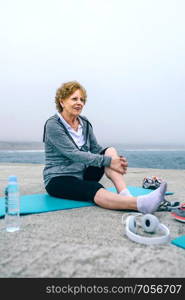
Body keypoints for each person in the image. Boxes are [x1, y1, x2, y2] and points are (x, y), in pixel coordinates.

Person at [43, 81, 167, 213]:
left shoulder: (84, 122)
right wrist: (109, 162)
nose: (79, 103)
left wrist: (114, 160)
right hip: (59, 179)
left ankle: (124, 194)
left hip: (82, 174)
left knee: (110, 150)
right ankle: (138, 204)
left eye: (82, 99)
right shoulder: (53, 125)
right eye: (74, 99)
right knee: (94, 187)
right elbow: (73, 154)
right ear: (62, 102)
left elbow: (96, 149)